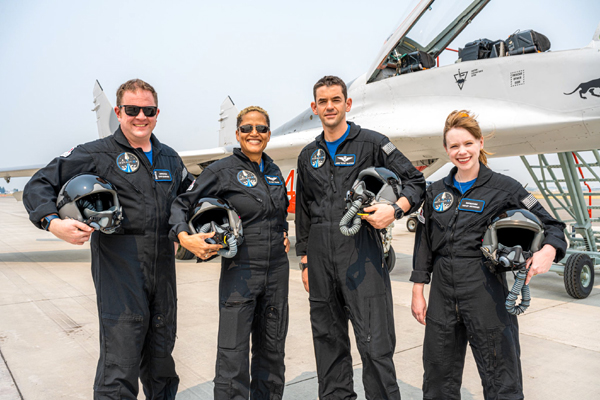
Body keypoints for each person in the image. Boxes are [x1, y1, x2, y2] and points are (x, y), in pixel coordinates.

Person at [23, 79, 193, 399]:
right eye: (132, 110)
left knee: (161, 360)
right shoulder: (96, 153)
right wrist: (52, 222)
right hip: (120, 264)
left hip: (163, 267)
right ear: (118, 112)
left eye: (148, 110)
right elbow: (39, 184)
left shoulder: (170, 158)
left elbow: (190, 198)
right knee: (121, 361)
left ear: (157, 113)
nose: (140, 116)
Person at [410, 110, 567, 400]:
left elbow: (553, 225)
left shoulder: (505, 188)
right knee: (437, 377)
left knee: (500, 375)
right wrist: (418, 290)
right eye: (454, 146)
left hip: (485, 289)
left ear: (480, 143)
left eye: (468, 143)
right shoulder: (434, 192)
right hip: (442, 292)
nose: (462, 151)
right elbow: (424, 242)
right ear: (446, 150)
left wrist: (549, 250)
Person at [295, 75, 426, 399]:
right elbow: (303, 211)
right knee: (327, 341)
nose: (329, 107)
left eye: (335, 100)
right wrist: (305, 261)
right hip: (320, 258)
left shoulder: (372, 143)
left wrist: (395, 210)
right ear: (314, 107)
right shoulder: (308, 155)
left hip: (362, 254)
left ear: (347, 104)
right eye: (323, 101)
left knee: (375, 342)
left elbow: (415, 183)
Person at [169, 106, 290, 400]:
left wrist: (283, 231)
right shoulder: (221, 170)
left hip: (276, 271)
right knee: (232, 354)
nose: (254, 134)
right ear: (237, 134)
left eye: (261, 129)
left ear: (268, 134)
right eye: (247, 128)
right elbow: (181, 204)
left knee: (272, 351)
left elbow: (277, 213)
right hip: (241, 271)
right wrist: (185, 237)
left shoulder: (273, 171)